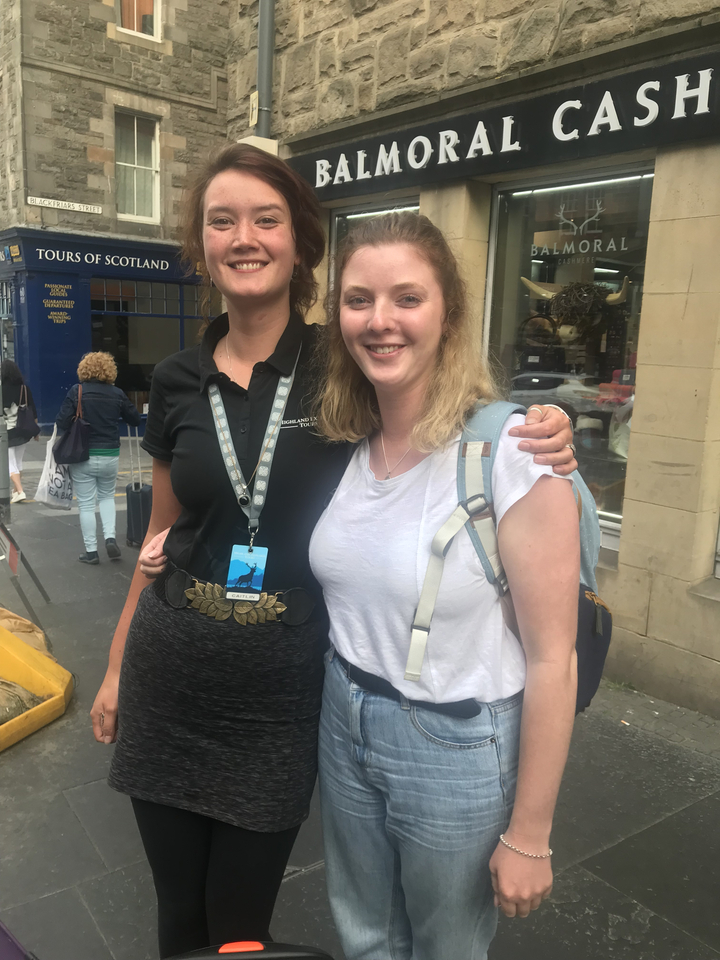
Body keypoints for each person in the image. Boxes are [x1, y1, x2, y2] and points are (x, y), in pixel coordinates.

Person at [92, 143, 577, 958]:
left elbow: (442, 399)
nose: (244, 237)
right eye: (222, 220)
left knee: (244, 932)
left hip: (284, 696)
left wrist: (538, 427)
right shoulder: (177, 380)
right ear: (201, 243)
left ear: (298, 242)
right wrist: (114, 665)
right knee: (187, 926)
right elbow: (161, 537)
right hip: (174, 676)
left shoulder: (342, 362)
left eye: (266, 219)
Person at [308, 212, 581, 960]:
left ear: (448, 314)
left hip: (453, 742)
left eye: (407, 298)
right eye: (359, 299)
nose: (380, 321)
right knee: (364, 934)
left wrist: (531, 836)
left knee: (444, 949)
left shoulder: (514, 453)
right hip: (345, 713)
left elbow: (555, 658)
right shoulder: (351, 442)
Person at [56, 352, 141, 564]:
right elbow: (135, 419)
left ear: (83, 369)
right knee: (106, 497)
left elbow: (61, 422)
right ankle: (110, 537)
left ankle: (91, 552)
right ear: (110, 370)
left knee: (85, 504)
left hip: (83, 454)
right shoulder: (117, 393)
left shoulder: (77, 391)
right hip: (110, 454)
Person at [1, 360, 40, 504]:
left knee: (10, 462)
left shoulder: (1, 389)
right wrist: (35, 432)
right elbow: (33, 411)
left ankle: (20, 490)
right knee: (18, 461)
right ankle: (15, 492)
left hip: (8, 432)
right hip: (24, 431)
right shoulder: (24, 388)